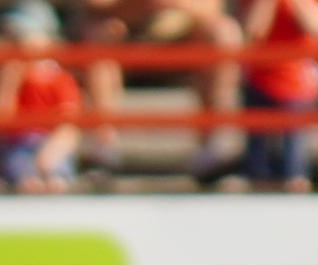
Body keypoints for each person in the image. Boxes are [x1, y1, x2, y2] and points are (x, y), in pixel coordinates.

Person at [78, 0, 244, 185]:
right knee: (98, 34)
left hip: (184, 32)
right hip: (127, 30)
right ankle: (103, 151)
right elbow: (95, 5)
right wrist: (139, 7)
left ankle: (212, 149)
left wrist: (173, 5)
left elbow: (212, 7)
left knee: (223, 32)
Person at [237, 0, 318, 186]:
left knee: (294, 165)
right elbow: (252, 31)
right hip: (259, 79)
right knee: (257, 165)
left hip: (298, 83)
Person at [0, 0, 84, 185]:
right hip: (17, 146)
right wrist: (9, 83)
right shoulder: (9, 76)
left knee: (56, 180)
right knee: (27, 180)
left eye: (25, 35)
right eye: (13, 37)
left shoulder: (60, 78)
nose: (19, 43)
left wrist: (49, 154)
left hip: (52, 144)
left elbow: (69, 128)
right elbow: (1, 122)